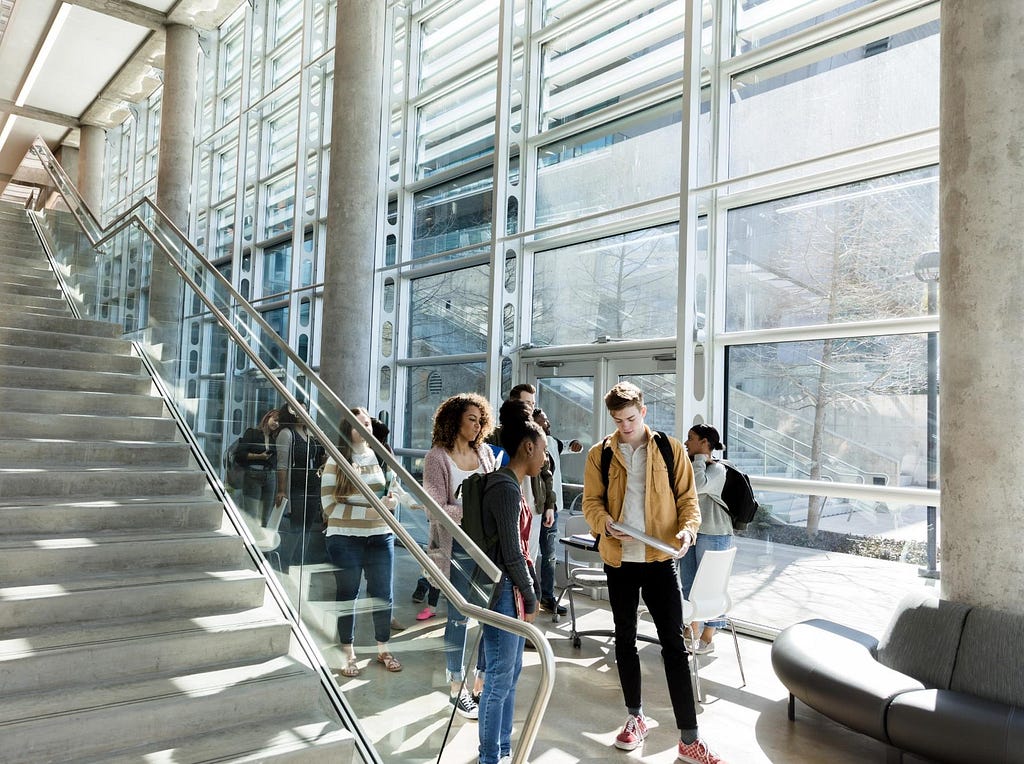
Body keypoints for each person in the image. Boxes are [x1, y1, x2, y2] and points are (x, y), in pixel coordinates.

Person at [582, 382, 728, 764]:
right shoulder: (602, 454)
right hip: (619, 560)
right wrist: (602, 523)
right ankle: (635, 718)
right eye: (618, 420)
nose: (625, 426)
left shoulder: (670, 449)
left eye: (630, 418)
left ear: (643, 412)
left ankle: (690, 739)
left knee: (675, 648)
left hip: (660, 560)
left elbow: (688, 502)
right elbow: (590, 502)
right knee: (625, 642)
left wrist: (688, 531)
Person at [423, 393, 497, 719]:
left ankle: (480, 679)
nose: (478, 424)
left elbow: (496, 493)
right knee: (457, 617)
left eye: (481, 419)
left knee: (489, 617)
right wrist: (473, 512)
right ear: (454, 419)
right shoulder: (437, 458)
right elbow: (434, 507)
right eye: (472, 418)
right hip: (457, 548)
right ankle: (456, 686)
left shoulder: (484, 452)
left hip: (487, 548)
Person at [477, 399, 543, 764]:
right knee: (499, 678)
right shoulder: (504, 488)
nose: (545, 458)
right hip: (502, 593)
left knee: (511, 674)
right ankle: (490, 756)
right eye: (543, 449)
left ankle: (502, 749)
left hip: (510, 591)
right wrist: (532, 596)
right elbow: (512, 552)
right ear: (528, 447)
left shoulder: (512, 485)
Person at [320, 407, 402, 677]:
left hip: (380, 535)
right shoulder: (337, 457)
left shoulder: (381, 455)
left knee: (383, 595)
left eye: (367, 423)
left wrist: (392, 503)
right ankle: (348, 653)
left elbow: (394, 490)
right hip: (344, 538)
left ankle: (383, 648)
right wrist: (372, 510)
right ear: (348, 429)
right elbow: (330, 507)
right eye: (358, 424)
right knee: (348, 596)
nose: (365, 428)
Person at [680, 424, 733, 655]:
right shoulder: (693, 465)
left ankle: (708, 636)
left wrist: (700, 458)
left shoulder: (718, 469)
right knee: (689, 583)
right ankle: (690, 630)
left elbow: (697, 486)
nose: (686, 442)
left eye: (691, 439)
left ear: (704, 443)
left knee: (710, 586)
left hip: (715, 532)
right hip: (692, 531)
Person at [532, 407, 583, 616]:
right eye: (543, 421)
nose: (548, 424)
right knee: (532, 553)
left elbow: (567, 446)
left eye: (547, 421)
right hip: (536, 508)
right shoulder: (529, 445)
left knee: (550, 555)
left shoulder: (551, 443)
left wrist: (575, 445)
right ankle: (531, 599)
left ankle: (547, 596)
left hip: (553, 508)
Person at [274, 401, 327, 570]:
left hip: (313, 486)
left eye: (305, 411)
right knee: (296, 528)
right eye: (299, 411)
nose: (303, 415)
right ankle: (286, 564)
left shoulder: (310, 433)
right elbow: (282, 464)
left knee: (307, 528)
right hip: (296, 487)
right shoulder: (286, 433)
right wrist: (281, 490)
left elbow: (321, 456)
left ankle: (299, 565)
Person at [238, 408, 279, 526]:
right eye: (275, 420)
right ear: (268, 417)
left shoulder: (275, 438)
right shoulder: (252, 433)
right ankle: (250, 542)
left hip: (270, 475)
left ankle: (261, 542)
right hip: (253, 474)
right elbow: (241, 454)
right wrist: (258, 456)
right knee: (252, 515)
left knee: (266, 516)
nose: (276, 424)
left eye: (279, 422)